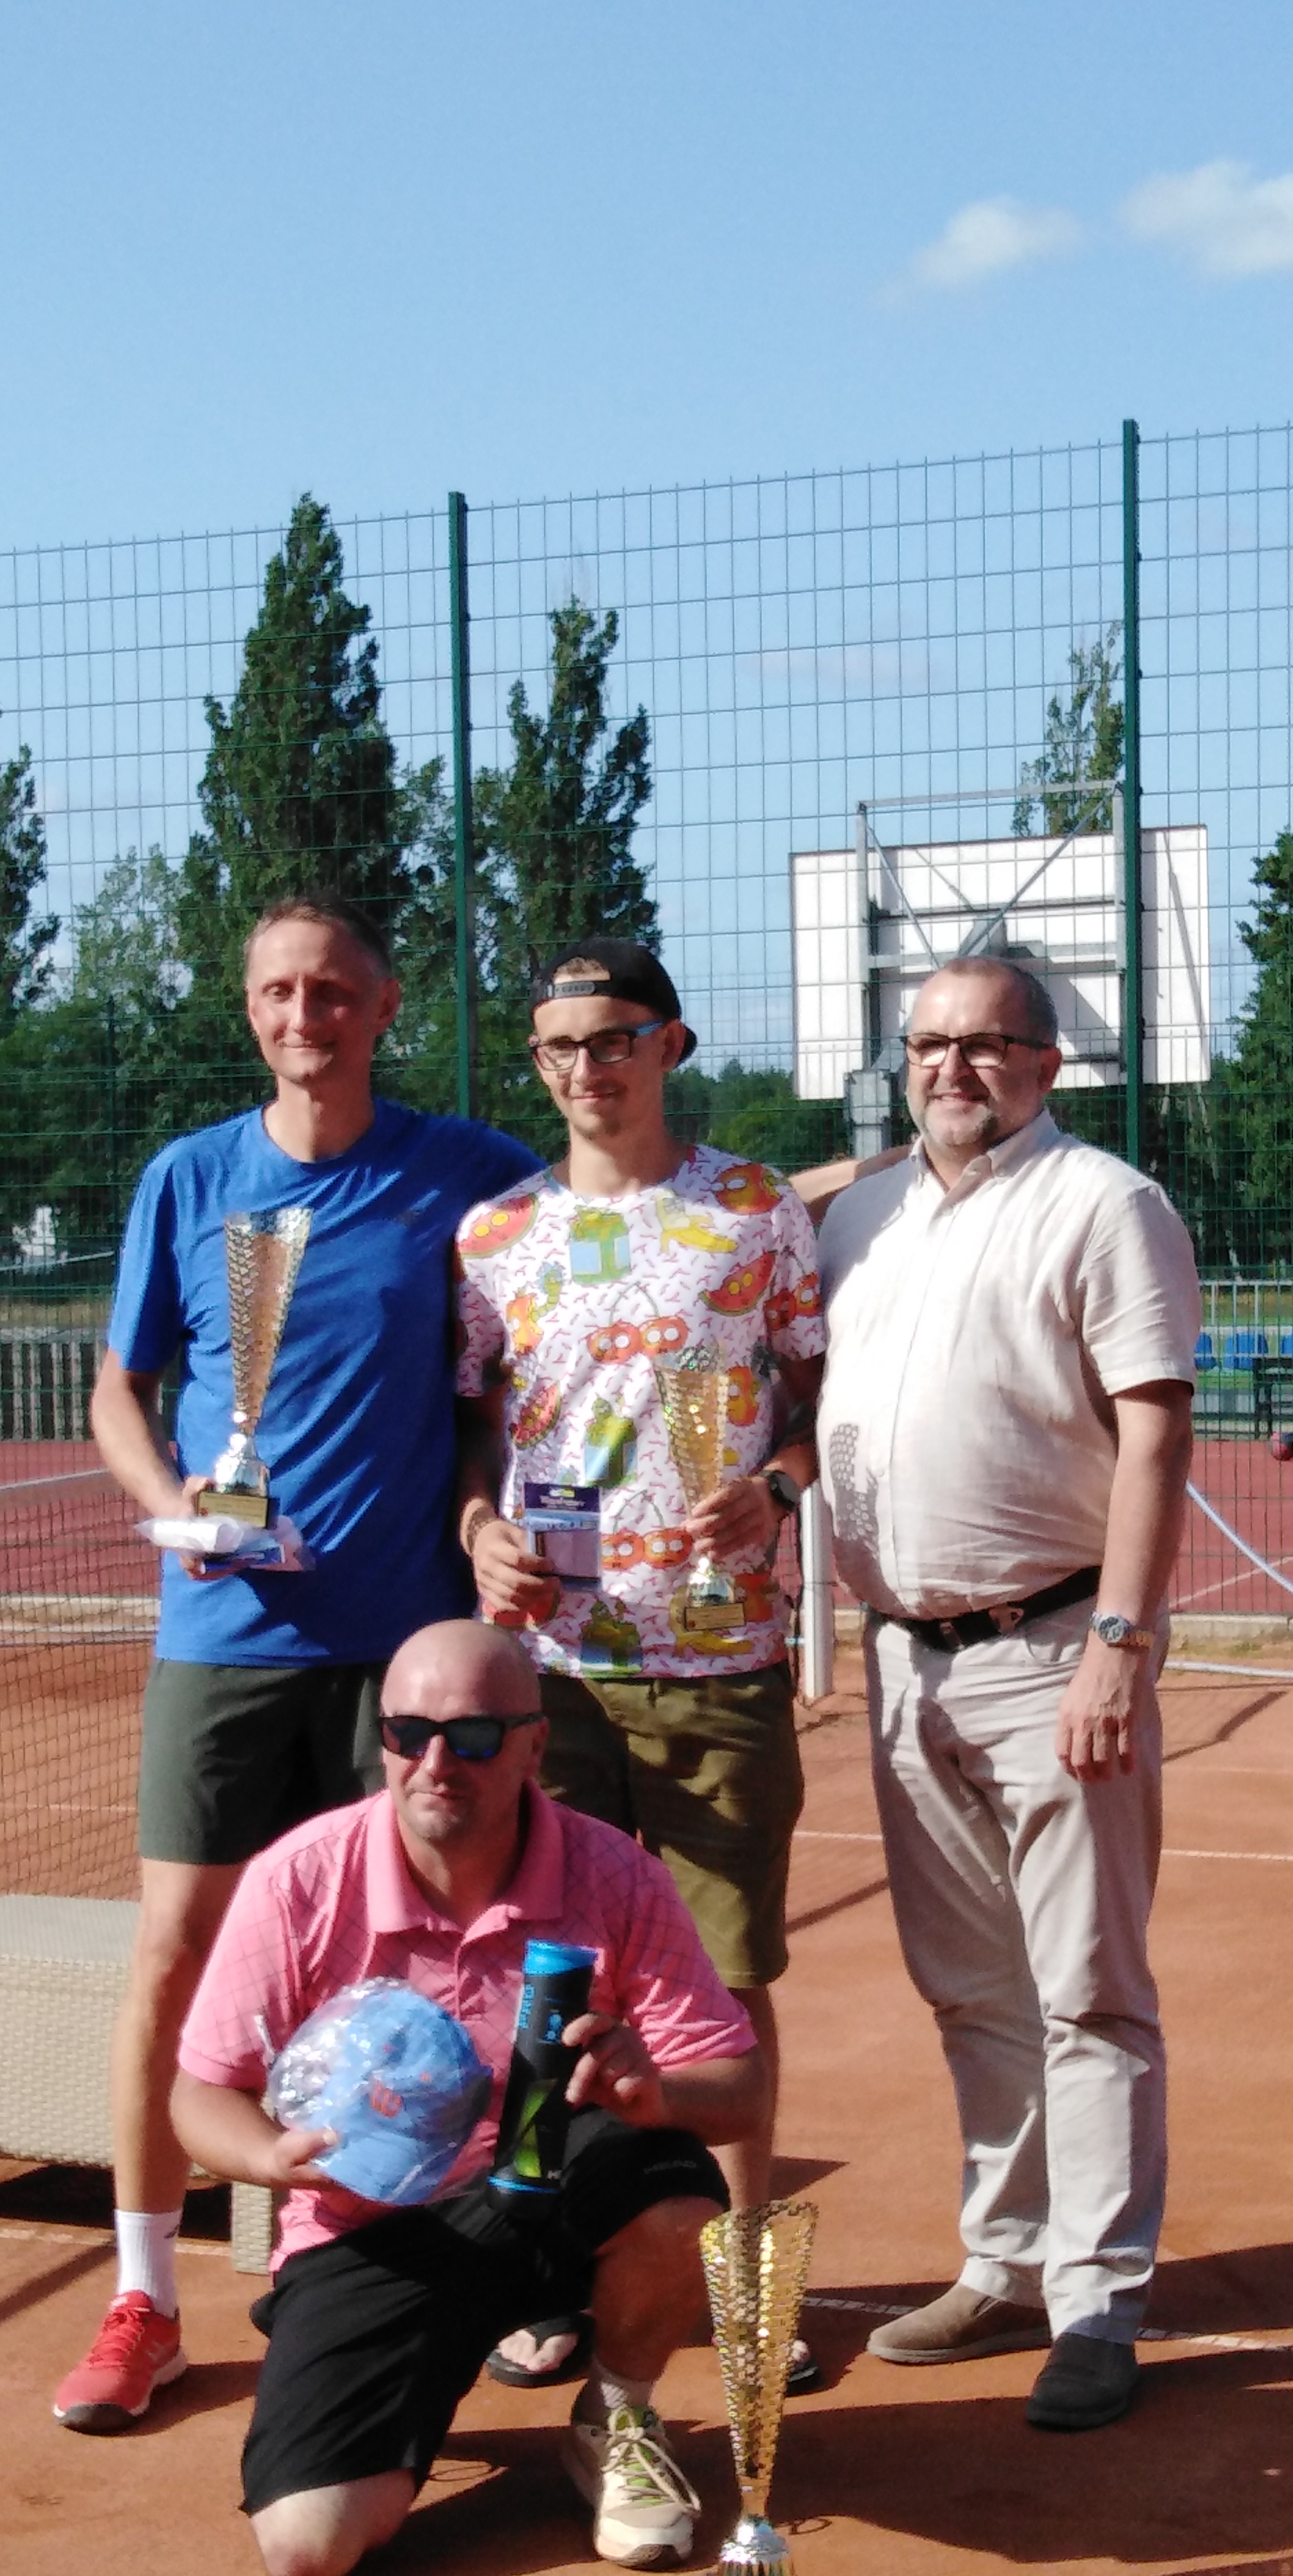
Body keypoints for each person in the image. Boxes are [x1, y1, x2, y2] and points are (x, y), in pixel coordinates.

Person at [52, 898, 535, 2433]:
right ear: (249, 1007)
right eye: (277, 990)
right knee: (176, 1955)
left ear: (383, 1005)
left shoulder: (462, 1170)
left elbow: (600, 1245)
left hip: (405, 1649)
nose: (303, 1013)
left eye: (332, 989)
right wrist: (170, 1508)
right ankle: (144, 2297)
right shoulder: (191, 1178)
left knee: (430, 1961)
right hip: (225, 1636)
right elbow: (119, 1389)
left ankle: (470, 2270)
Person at [172, 1619, 764, 2576]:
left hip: (560, 2189)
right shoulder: (301, 1877)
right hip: (376, 2231)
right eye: (410, 1733)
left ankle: (618, 2413)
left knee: (678, 2192)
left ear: (536, 1744)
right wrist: (267, 2160)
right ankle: (406, 2378)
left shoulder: (615, 1872)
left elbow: (739, 2092)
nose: (438, 1762)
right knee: (307, 2549)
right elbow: (203, 2092)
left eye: (477, 1737)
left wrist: (654, 2091)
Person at [816, 954, 1200, 2433]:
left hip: (1053, 1650)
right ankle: (1008, 2258)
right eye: (927, 1044)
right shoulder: (862, 1215)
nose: (952, 1069)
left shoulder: (1106, 1204)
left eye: (986, 1045)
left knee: (1091, 1988)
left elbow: (1156, 1433)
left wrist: (1122, 1639)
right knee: (970, 1987)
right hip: (905, 1656)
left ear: (1047, 1063)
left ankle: (1098, 2300)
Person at [451, 940, 825, 2392]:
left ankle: (742, 2288)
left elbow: (813, 1397)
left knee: (727, 1986)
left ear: (668, 1044)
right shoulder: (493, 1235)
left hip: (724, 1658)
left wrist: (780, 1486)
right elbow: (479, 1427)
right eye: (559, 1048)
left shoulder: (753, 1209)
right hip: (553, 1669)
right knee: (546, 1980)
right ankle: (550, 2270)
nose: (587, 1068)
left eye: (614, 1039)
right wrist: (481, 1526)